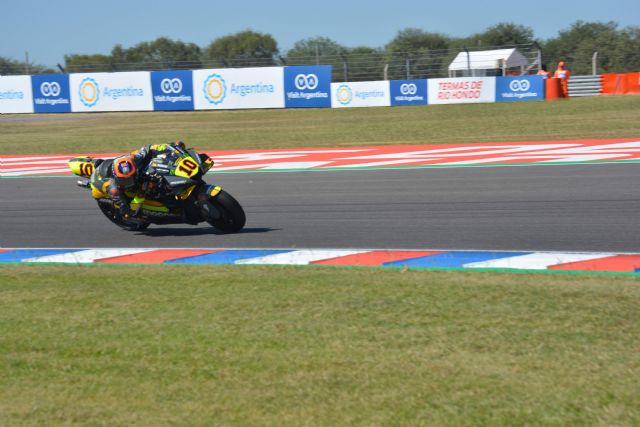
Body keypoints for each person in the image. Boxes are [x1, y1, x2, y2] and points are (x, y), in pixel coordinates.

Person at [90, 141, 188, 219]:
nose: (130, 182)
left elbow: (149, 148)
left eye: (131, 178)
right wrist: (127, 212)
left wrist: (167, 147)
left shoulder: (136, 158)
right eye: (126, 181)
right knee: (126, 207)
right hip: (102, 183)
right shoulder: (112, 187)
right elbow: (124, 207)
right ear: (117, 178)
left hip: (126, 171)